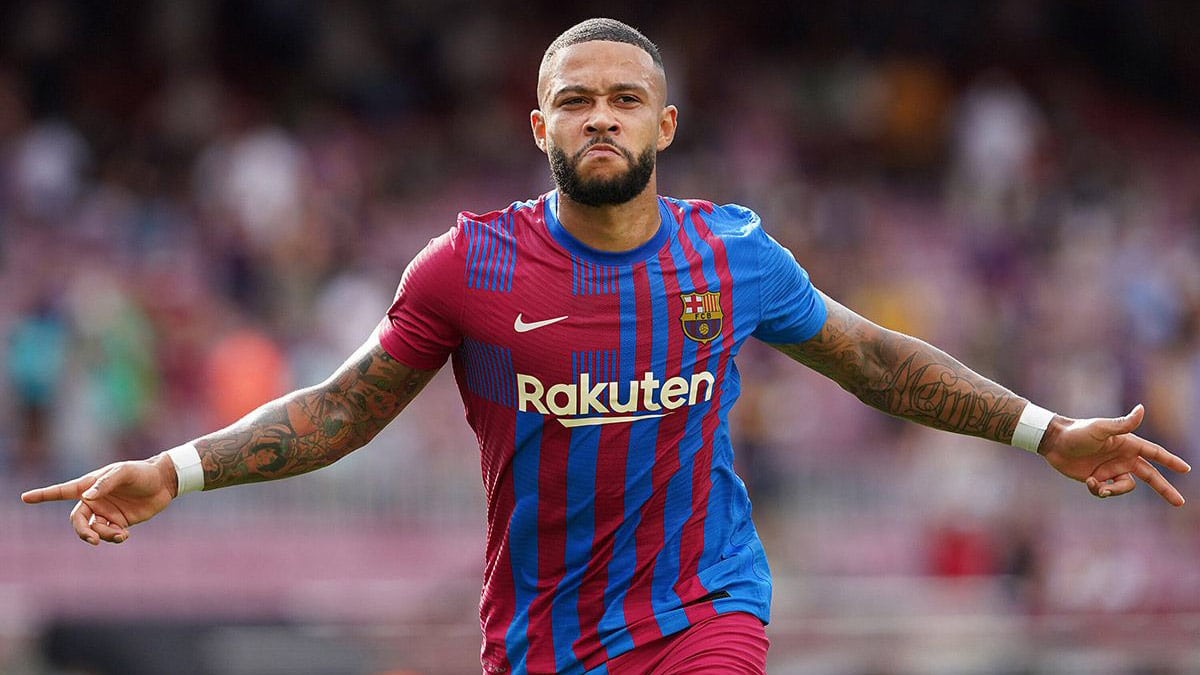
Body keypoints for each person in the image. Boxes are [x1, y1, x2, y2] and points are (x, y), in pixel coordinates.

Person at [22, 18, 1190, 675]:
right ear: (540, 124)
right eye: (576, 100)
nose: (600, 117)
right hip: (540, 640)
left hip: (704, 611)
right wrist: (174, 470)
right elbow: (339, 410)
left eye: (625, 99)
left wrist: (1044, 431)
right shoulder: (466, 267)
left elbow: (876, 360)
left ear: (663, 124)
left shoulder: (732, 256)